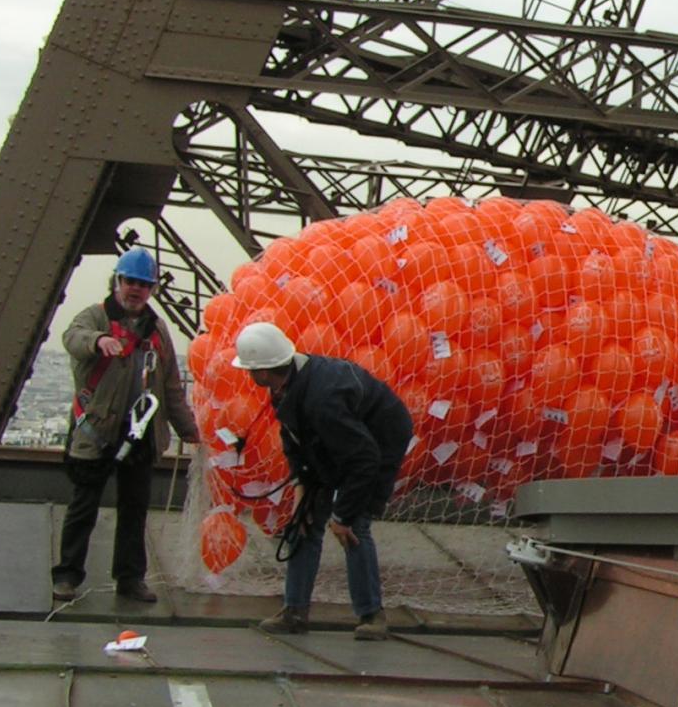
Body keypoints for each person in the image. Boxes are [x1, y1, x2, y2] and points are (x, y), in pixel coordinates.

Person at [231, 321, 413, 640]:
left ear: (262, 371)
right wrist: (302, 492)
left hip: (377, 445)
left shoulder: (324, 397)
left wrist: (342, 515)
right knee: (303, 523)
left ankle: (372, 616)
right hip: (336, 443)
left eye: (249, 370)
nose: (248, 375)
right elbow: (295, 441)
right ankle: (295, 611)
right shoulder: (284, 388)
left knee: (354, 528)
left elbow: (363, 458)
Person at [52, 247, 199, 603]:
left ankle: (129, 578)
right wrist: (97, 341)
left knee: (134, 510)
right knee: (84, 506)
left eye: (143, 284)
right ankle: (69, 575)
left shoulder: (157, 330)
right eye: (131, 282)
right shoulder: (95, 318)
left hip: (138, 434)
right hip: (100, 432)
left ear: (151, 290)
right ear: (118, 282)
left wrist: (188, 429)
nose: (136, 289)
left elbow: (170, 387)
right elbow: (73, 337)